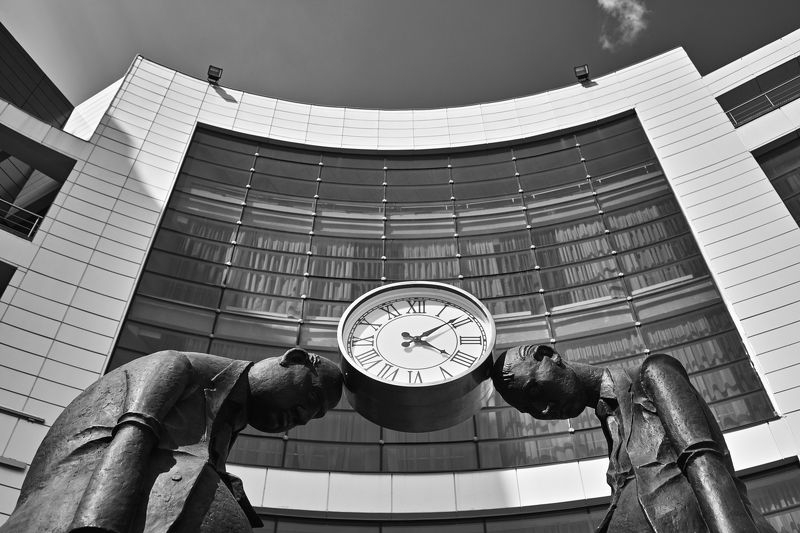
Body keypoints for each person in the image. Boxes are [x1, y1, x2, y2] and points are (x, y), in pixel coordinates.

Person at [1, 347, 343, 533]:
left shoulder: (227, 421)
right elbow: (129, 442)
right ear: (293, 360)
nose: (301, 417)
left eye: (314, 417)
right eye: (311, 399)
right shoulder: (178, 367)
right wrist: (94, 529)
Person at [491, 344, 775, 533]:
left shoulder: (653, 374)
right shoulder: (611, 426)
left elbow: (705, 465)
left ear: (548, 355)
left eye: (534, 391)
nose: (543, 409)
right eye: (529, 410)